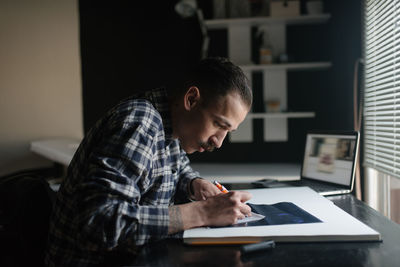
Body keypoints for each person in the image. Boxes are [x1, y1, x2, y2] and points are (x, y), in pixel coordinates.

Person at [45, 57, 253, 266]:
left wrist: (194, 184)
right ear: (191, 99)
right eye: (219, 124)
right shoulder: (140, 122)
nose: (218, 142)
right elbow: (101, 222)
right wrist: (204, 212)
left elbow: (177, 167)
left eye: (228, 131)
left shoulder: (171, 127)